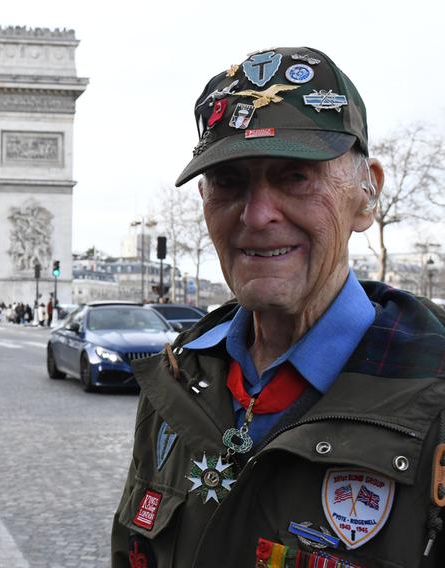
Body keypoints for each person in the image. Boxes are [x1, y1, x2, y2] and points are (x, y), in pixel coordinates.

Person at [111, 47, 445, 567]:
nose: (257, 214)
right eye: (230, 181)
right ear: (203, 198)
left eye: (295, 176)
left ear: (367, 194)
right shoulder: (178, 375)